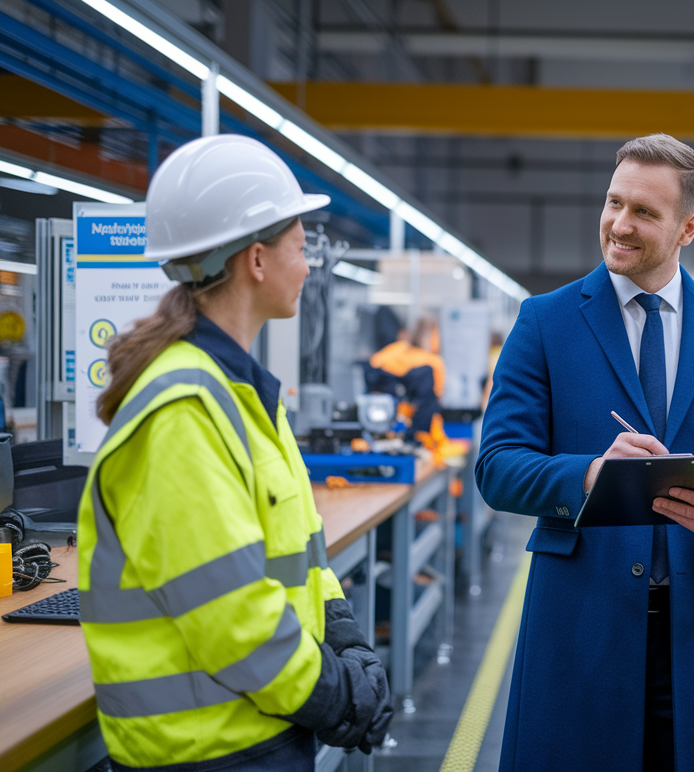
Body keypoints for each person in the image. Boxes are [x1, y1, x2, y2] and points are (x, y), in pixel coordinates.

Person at [476, 133, 694, 771]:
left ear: (687, 227)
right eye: (613, 203)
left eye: (644, 212)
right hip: (580, 625)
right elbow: (497, 465)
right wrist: (590, 473)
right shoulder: (546, 321)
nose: (619, 224)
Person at [77, 135, 393, 771]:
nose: (308, 268)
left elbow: (297, 553)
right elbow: (233, 623)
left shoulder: (241, 394)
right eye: (301, 250)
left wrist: (344, 636)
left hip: (252, 731)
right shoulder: (183, 413)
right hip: (209, 751)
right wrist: (336, 696)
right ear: (256, 259)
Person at [366, 316, 445, 436]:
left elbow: (373, 365)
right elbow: (437, 394)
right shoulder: (433, 361)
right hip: (416, 424)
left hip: (383, 414)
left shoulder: (397, 348)